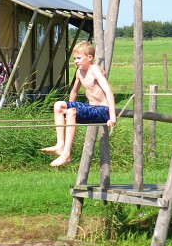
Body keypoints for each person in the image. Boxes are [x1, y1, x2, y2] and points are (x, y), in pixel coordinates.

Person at [41, 40, 116, 168]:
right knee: (58, 105)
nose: (76, 61)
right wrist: (69, 106)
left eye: (79, 58)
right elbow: (74, 92)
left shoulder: (94, 70)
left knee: (71, 112)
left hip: (103, 110)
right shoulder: (79, 73)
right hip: (92, 108)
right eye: (74, 59)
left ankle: (66, 154)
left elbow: (108, 91)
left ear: (90, 57)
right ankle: (60, 145)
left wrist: (113, 116)